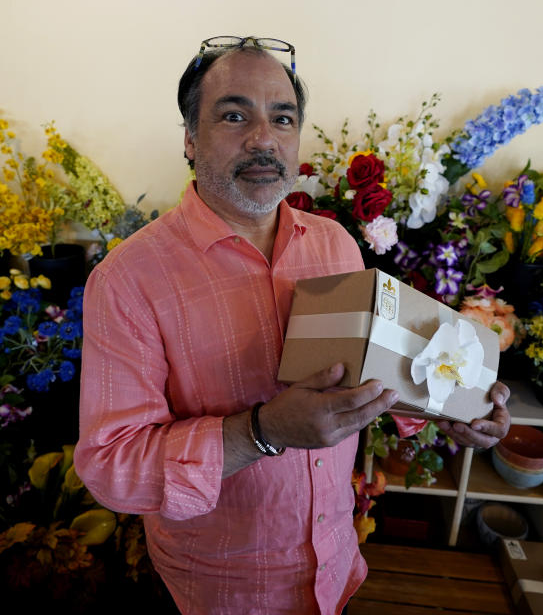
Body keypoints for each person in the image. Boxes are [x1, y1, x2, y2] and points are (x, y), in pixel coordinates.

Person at [74, 36, 511, 615]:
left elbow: (368, 374)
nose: (263, 139)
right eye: (234, 115)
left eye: (283, 118)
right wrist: (263, 431)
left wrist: (454, 406)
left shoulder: (333, 243)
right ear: (188, 137)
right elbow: (112, 468)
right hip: (221, 589)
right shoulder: (129, 279)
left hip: (335, 563)